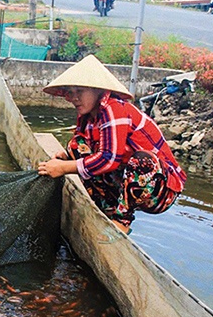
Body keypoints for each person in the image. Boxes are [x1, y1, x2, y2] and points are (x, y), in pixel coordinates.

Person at [37, 55, 186, 234]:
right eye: (71, 92)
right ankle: (106, 210)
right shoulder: (87, 115)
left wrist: (64, 168)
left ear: (98, 90)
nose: (74, 98)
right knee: (76, 145)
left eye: (80, 91)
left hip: (160, 190)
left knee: (142, 161)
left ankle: (122, 222)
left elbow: (109, 159)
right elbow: (85, 149)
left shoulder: (113, 109)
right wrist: (67, 158)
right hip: (127, 180)